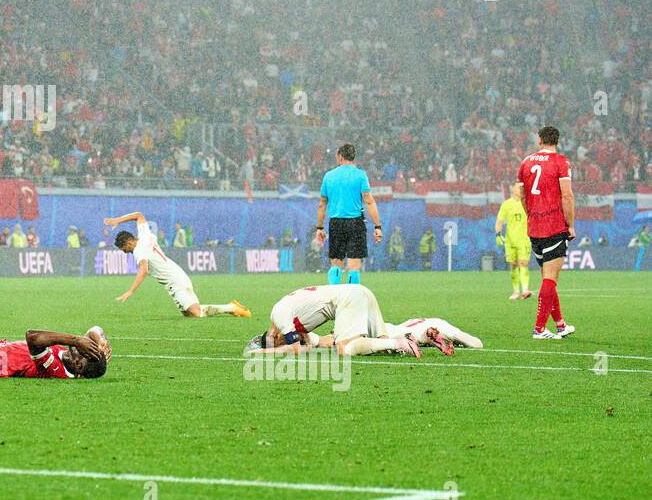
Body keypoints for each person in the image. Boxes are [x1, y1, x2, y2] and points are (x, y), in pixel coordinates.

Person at [104, 211, 249, 318]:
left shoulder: (138, 251)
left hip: (175, 280)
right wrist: (118, 220)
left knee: (195, 313)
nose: (124, 252)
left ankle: (232, 307)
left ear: (129, 242)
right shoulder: (145, 236)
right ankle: (231, 307)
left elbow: (143, 271)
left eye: (124, 249)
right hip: (175, 275)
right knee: (189, 313)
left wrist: (130, 291)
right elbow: (139, 215)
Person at [246, 283, 421, 357]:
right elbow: (320, 342)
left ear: (275, 337)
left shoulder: (278, 315)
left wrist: (266, 352)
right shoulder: (294, 322)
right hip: (358, 291)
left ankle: (398, 342)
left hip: (348, 298)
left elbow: (294, 347)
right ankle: (408, 337)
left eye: (279, 342)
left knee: (344, 348)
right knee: (381, 342)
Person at [517, 125, 576, 339]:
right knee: (550, 279)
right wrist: (570, 224)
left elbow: (522, 196)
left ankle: (560, 325)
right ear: (557, 142)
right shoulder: (561, 162)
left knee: (546, 278)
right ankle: (539, 329)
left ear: (539, 140)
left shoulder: (526, 162)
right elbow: (567, 196)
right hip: (554, 226)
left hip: (535, 228)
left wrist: (532, 215)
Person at [315, 143, 382, 285]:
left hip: (336, 222)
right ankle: (352, 303)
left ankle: (334, 299)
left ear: (340, 156)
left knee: (336, 264)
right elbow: (369, 202)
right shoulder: (360, 175)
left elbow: (322, 204)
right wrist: (377, 227)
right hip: (355, 223)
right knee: (354, 267)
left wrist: (320, 228)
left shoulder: (329, 176)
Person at [494, 181, 533, 300]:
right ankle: (516, 291)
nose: (521, 189)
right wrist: (498, 234)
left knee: (523, 263)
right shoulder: (506, 205)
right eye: (518, 187)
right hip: (510, 241)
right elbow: (500, 220)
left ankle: (525, 290)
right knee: (514, 265)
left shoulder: (527, 203)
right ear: (513, 190)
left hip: (524, 239)